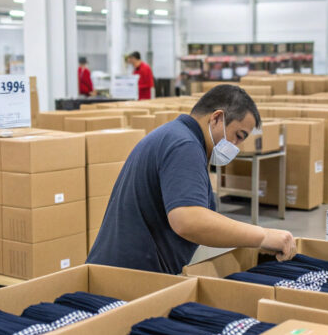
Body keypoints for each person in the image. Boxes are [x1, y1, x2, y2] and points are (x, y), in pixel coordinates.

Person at [87, 84, 296, 274]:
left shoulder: (176, 135)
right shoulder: (184, 145)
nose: (237, 146)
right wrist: (262, 236)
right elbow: (188, 220)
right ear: (216, 118)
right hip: (127, 276)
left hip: (124, 270)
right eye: (238, 136)